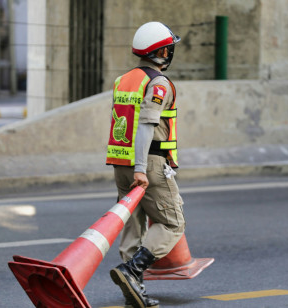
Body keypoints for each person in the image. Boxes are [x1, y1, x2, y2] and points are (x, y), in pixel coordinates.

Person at [107, 21, 184, 308]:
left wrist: (131, 167)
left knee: (132, 226)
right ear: (162, 51)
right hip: (147, 162)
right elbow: (146, 124)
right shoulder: (158, 83)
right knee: (172, 223)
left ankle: (133, 290)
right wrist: (141, 168)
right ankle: (133, 270)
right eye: (170, 47)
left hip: (120, 163)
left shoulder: (123, 80)